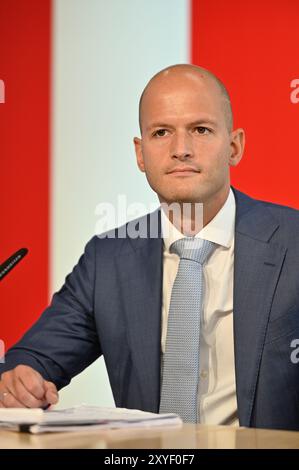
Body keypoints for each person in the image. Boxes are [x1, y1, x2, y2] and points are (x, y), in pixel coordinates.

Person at [1, 64, 299, 431]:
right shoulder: (106, 260)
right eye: (161, 133)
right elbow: (27, 364)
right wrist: (18, 384)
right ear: (141, 155)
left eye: (201, 130)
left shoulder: (293, 242)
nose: (181, 150)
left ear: (235, 146)